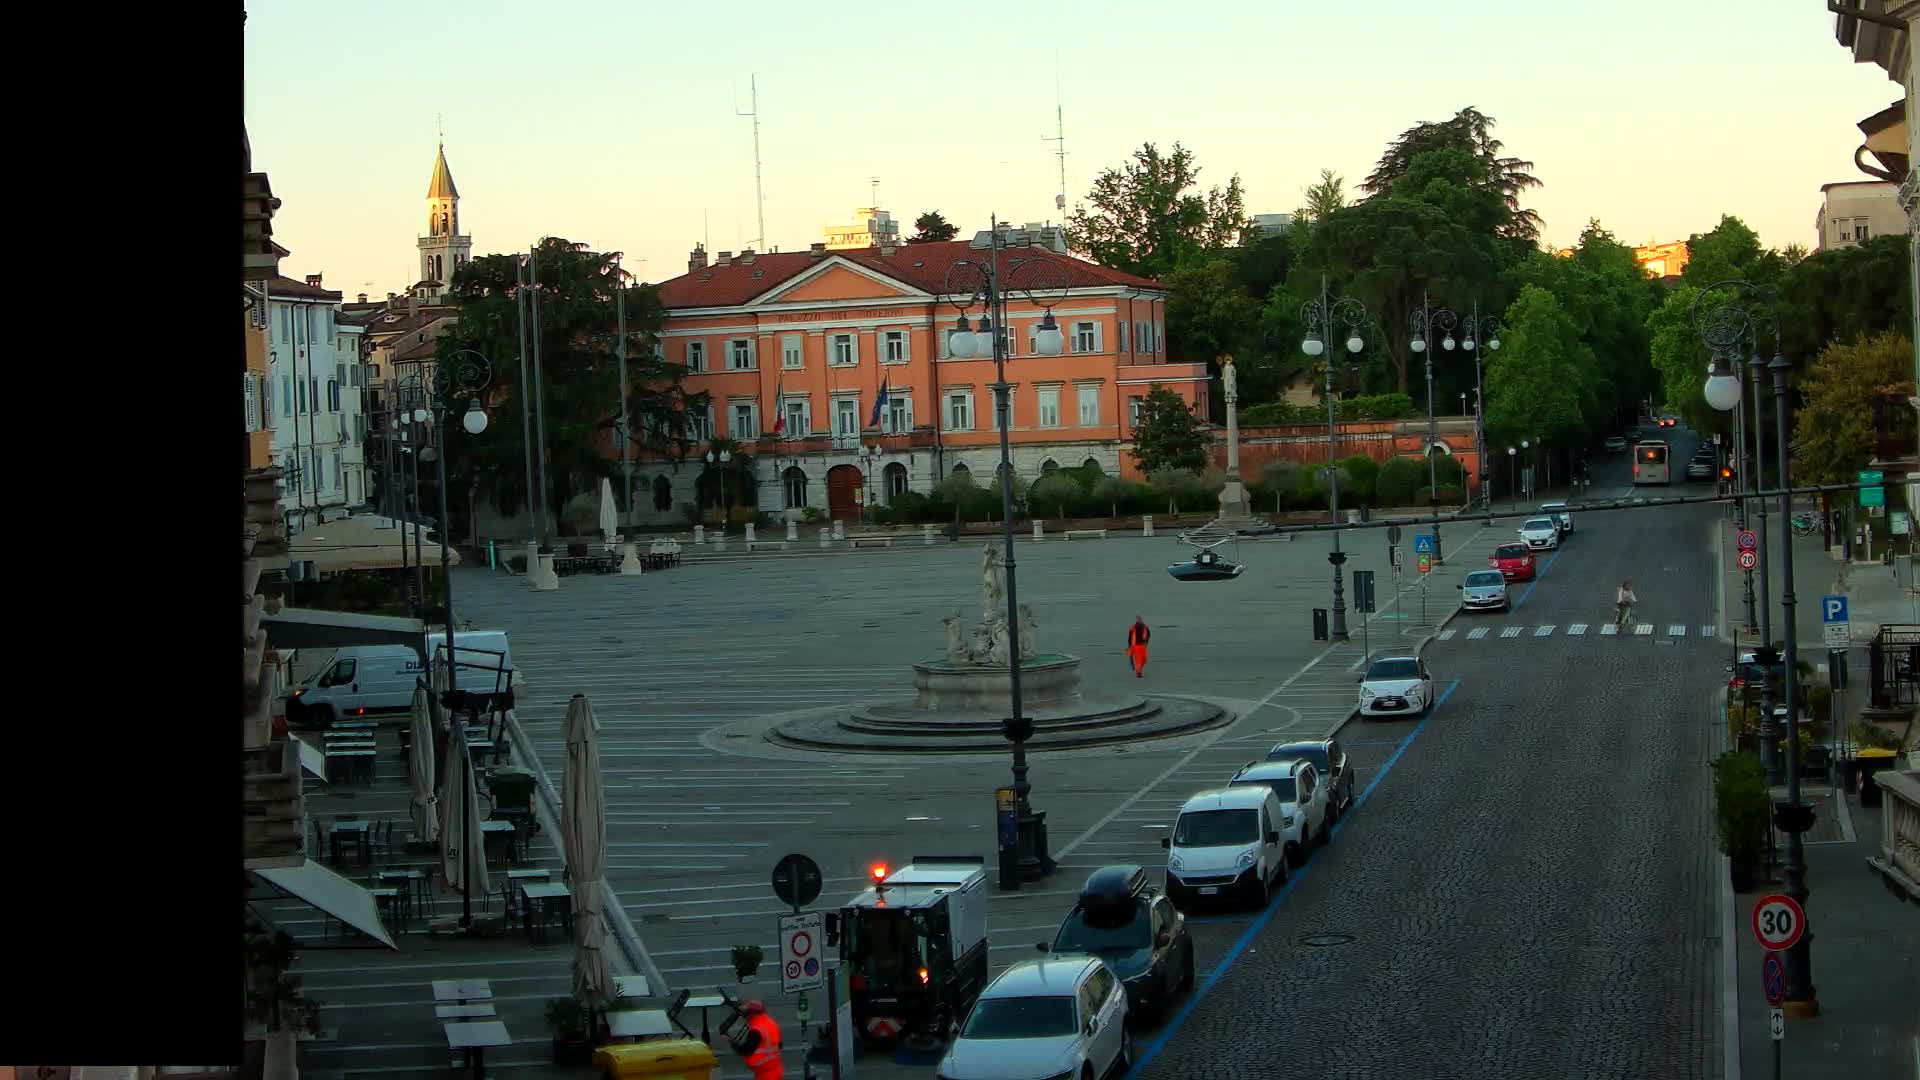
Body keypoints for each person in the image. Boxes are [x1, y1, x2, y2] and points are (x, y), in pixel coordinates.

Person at [730, 999, 784, 1080]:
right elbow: (779, 1045)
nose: (745, 1016)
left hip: (766, 1075)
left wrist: (730, 1042)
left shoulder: (756, 1029)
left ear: (752, 1014)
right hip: (775, 1070)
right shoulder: (770, 1022)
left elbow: (745, 1050)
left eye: (746, 1013)